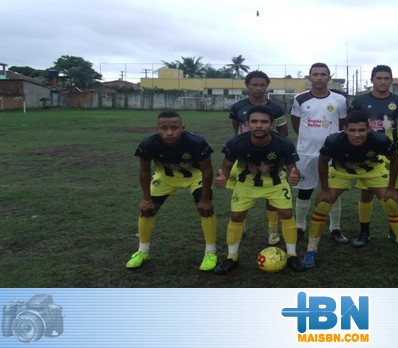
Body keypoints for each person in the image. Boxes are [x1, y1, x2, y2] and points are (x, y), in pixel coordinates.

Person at [302, 110, 398, 272]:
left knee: (392, 204)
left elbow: (395, 159)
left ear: (369, 129)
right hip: (341, 170)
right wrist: (325, 189)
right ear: (345, 129)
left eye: (361, 130)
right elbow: (322, 162)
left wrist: (391, 188)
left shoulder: (380, 139)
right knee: (323, 204)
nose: (357, 135)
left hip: (372, 169)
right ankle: (311, 251)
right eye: (352, 130)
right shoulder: (334, 141)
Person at [213, 105, 305, 274]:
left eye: (264, 122)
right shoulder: (236, 143)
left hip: (275, 183)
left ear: (272, 124)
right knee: (237, 216)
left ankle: (292, 255)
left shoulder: (284, 143)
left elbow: (293, 169)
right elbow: (225, 166)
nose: (259, 125)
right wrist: (222, 177)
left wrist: (294, 176)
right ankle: (231, 257)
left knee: (286, 214)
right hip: (246, 183)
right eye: (254, 121)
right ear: (247, 124)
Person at [126, 110, 217, 271]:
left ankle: (211, 252)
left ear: (182, 128)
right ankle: (143, 251)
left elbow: (207, 170)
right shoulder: (148, 144)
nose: (169, 132)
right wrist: (146, 199)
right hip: (165, 177)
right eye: (164, 128)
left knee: (205, 210)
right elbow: (144, 170)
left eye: (174, 128)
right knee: (147, 210)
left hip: (194, 176)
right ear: (157, 129)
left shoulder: (196, 142)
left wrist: (205, 199)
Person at [348, 65, 398, 247]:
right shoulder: (359, 102)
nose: (383, 81)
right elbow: (351, 129)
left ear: (391, 80)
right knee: (366, 192)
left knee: (395, 191)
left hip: (394, 152)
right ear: (372, 80)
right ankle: (364, 231)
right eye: (379, 78)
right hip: (367, 153)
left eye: (386, 78)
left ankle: (393, 230)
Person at [291, 62, 349, 244]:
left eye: (323, 74)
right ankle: (300, 226)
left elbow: (342, 125)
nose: (319, 78)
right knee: (304, 191)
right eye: (315, 74)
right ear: (309, 77)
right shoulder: (299, 99)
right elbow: (296, 123)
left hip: (332, 154)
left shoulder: (339, 100)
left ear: (329, 78)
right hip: (306, 153)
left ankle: (335, 228)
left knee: (333, 191)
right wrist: (308, 138)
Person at [229, 70, 288, 246]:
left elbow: (283, 134)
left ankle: (272, 229)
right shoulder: (238, 107)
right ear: (247, 85)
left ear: (267, 86)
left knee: (272, 195)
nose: (258, 88)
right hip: (245, 158)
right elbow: (236, 130)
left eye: (262, 85)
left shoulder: (276, 108)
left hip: (271, 158)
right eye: (255, 84)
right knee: (242, 192)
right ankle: (242, 223)